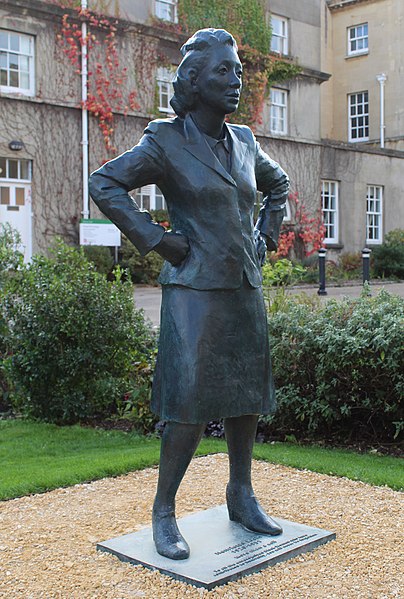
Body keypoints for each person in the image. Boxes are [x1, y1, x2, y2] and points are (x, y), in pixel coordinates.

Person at [89, 28, 290, 561]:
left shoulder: (245, 141)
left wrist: (266, 234)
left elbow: (279, 185)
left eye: (238, 72)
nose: (236, 82)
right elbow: (105, 183)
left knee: (247, 396)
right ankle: (163, 511)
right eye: (223, 72)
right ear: (194, 82)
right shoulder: (165, 140)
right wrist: (158, 240)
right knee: (188, 404)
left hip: (243, 284)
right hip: (194, 289)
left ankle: (241, 496)